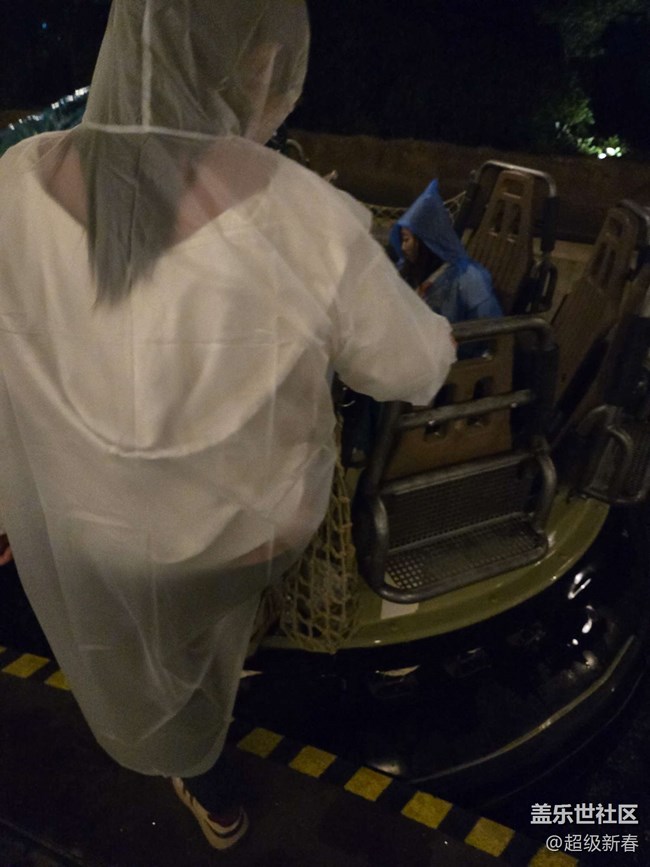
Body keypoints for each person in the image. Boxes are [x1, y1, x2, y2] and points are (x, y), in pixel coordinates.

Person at [0, 0, 455, 852]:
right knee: (222, 587)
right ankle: (225, 716)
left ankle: (193, 763)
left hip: (81, 530)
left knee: (151, 639)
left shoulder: (15, 181)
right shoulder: (298, 210)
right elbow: (414, 368)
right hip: (242, 539)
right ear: (254, 64)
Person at [390, 179, 503, 323]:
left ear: (426, 243)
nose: (403, 247)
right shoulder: (410, 268)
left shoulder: (468, 279)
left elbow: (489, 325)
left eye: (406, 239)